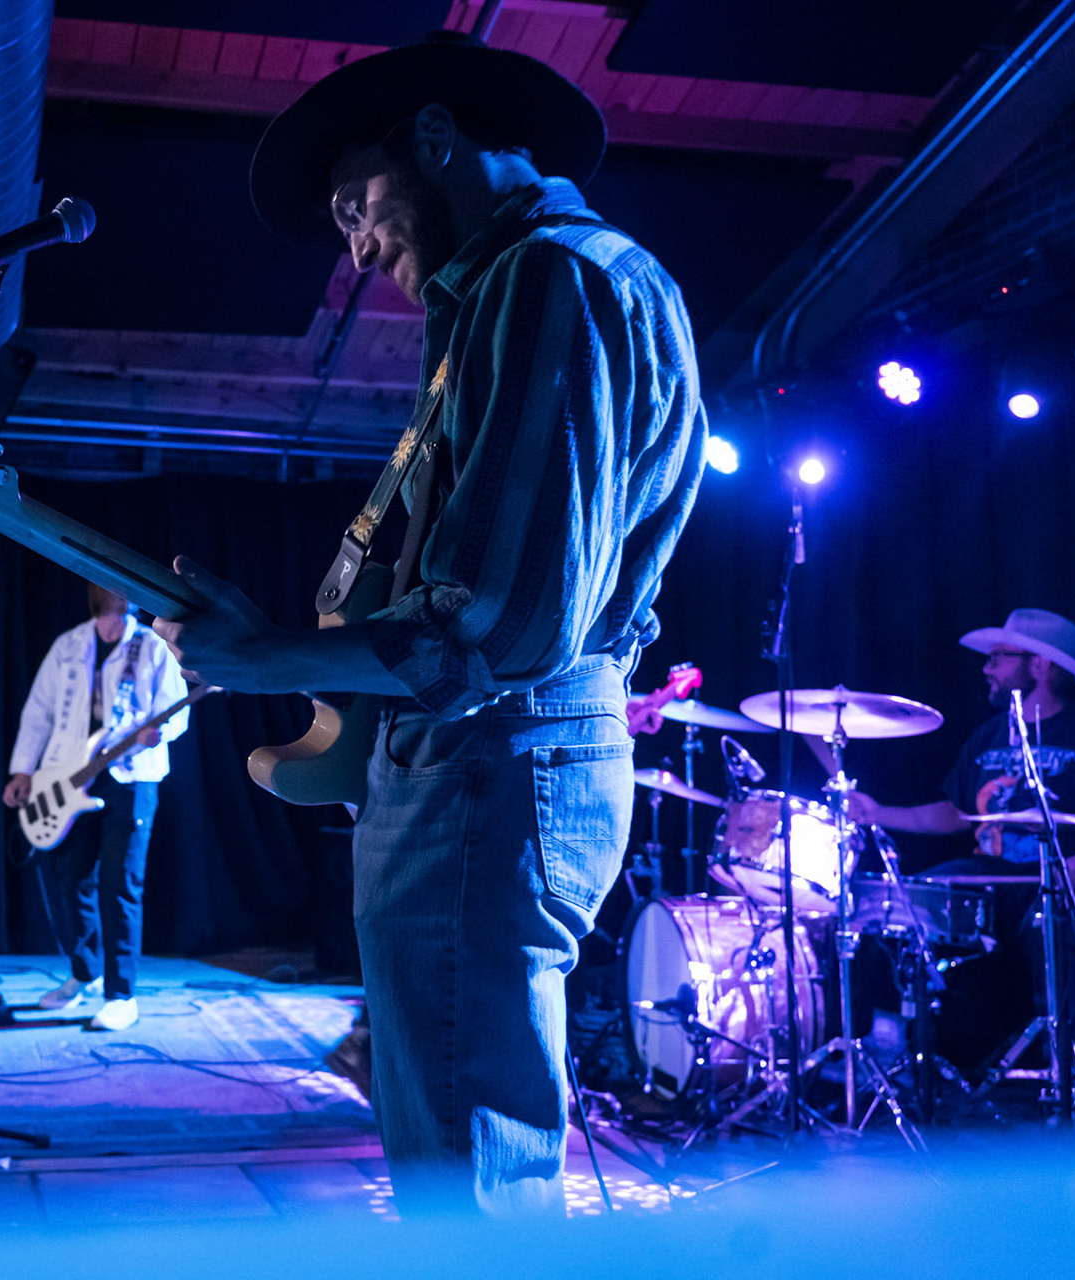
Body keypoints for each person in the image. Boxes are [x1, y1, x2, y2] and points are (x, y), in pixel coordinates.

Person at [154, 33, 706, 1213]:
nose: (354, 249)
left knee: (470, 1185)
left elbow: (498, 625)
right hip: (493, 759)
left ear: (437, 139)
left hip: (491, 760)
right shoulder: (536, 290)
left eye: (353, 205)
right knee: (463, 1150)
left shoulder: (545, 278)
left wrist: (267, 657)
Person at [848, 608, 1075, 1082]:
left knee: (1051, 922)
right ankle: (900, 1058)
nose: (987, 668)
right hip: (991, 880)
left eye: (998, 657)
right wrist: (878, 812)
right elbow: (956, 814)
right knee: (897, 904)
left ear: (1040, 664)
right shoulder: (989, 735)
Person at [5, 583, 192, 1032]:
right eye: (107, 590)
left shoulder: (152, 646)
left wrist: (157, 734)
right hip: (69, 775)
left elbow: (177, 711)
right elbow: (39, 713)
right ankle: (84, 972)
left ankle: (121, 995)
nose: (115, 599)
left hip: (132, 776)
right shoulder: (68, 645)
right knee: (71, 879)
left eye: (122, 593)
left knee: (120, 884)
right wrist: (22, 771)